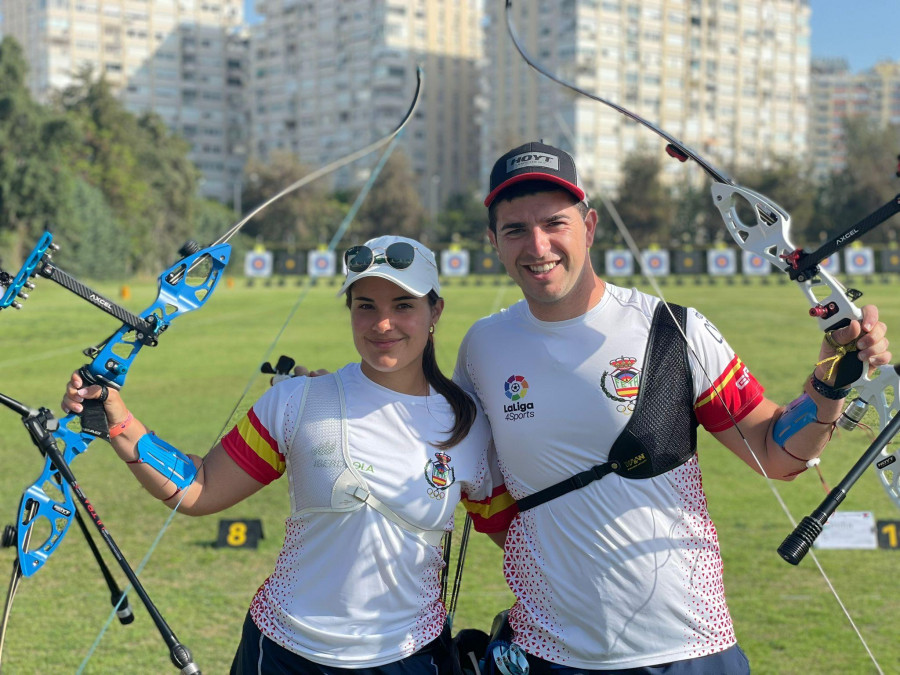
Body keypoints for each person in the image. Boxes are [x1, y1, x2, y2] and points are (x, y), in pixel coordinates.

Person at [452, 141, 892, 673]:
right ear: (493, 241)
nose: (537, 244)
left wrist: (829, 380)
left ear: (589, 227)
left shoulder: (674, 329)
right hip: (550, 650)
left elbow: (776, 452)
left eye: (555, 223)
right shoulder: (482, 347)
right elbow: (475, 481)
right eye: (515, 229)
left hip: (689, 645)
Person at [62, 235, 514, 675]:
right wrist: (121, 424)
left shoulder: (468, 424)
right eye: (365, 306)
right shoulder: (298, 400)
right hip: (283, 652)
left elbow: (518, 540)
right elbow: (199, 489)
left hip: (410, 656)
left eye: (403, 306)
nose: (382, 325)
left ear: (435, 310)